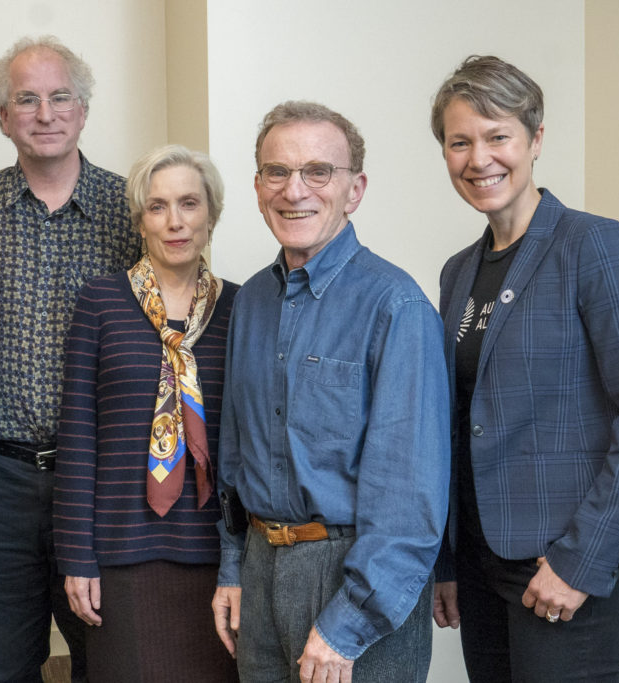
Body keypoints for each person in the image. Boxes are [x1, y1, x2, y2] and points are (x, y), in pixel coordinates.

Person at [429, 55, 619, 681]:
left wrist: (581, 560)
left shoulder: (594, 244)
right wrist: (448, 562)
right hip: (483, 568)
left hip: (566, 566)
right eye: (459, 142)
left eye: (498, 136)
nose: (478, 158)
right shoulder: (458, 272)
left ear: (535, 140)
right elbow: (460, 424)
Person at [211, 100, 451, 683]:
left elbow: (409, 498)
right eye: (278, 172)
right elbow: (237, 453)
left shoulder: (396, 307)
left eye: (318, 171)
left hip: (351, 575)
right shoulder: (251, 303)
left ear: (355, 189)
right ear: (258, 186)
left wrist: (349, 623)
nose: (296, 190)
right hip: (262, 570)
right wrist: (233, 567)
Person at [0, 35, 141, 682]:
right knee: (2, 665)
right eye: (25, 99)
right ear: (3, 117)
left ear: (84, 110)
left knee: (107, 659)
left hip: (103, 480)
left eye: (61, 97)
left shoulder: (133, 211)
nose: (45, 113)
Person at [53, 145, 240, 683]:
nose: (175, 221)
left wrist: (244, 561)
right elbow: (78, 439)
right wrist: (77, 557)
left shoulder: (243, 308)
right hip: (120, 554)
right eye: (158, 207)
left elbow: (250, 442)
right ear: (139, 220)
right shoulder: (101, 302)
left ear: (211, 214)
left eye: (189, 203)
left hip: (217, 556)